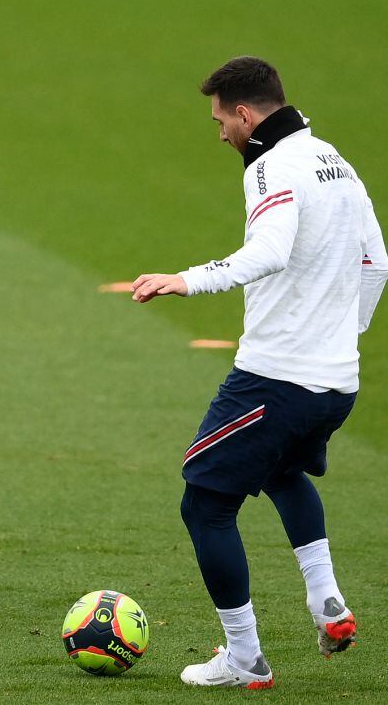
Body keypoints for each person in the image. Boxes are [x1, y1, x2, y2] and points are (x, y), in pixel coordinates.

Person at [132, 56, 387, 688]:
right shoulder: (335, 159)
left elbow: (269, 252)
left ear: (245, 115)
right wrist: (340, 339)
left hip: (277, 378)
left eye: (221, 120)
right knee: (280, 470)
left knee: (205, 502)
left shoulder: (270, 166)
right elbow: (376, 263)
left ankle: (244, 657)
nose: (220, 133)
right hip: (337, 384)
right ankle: (327, 602)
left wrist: (183, 281)